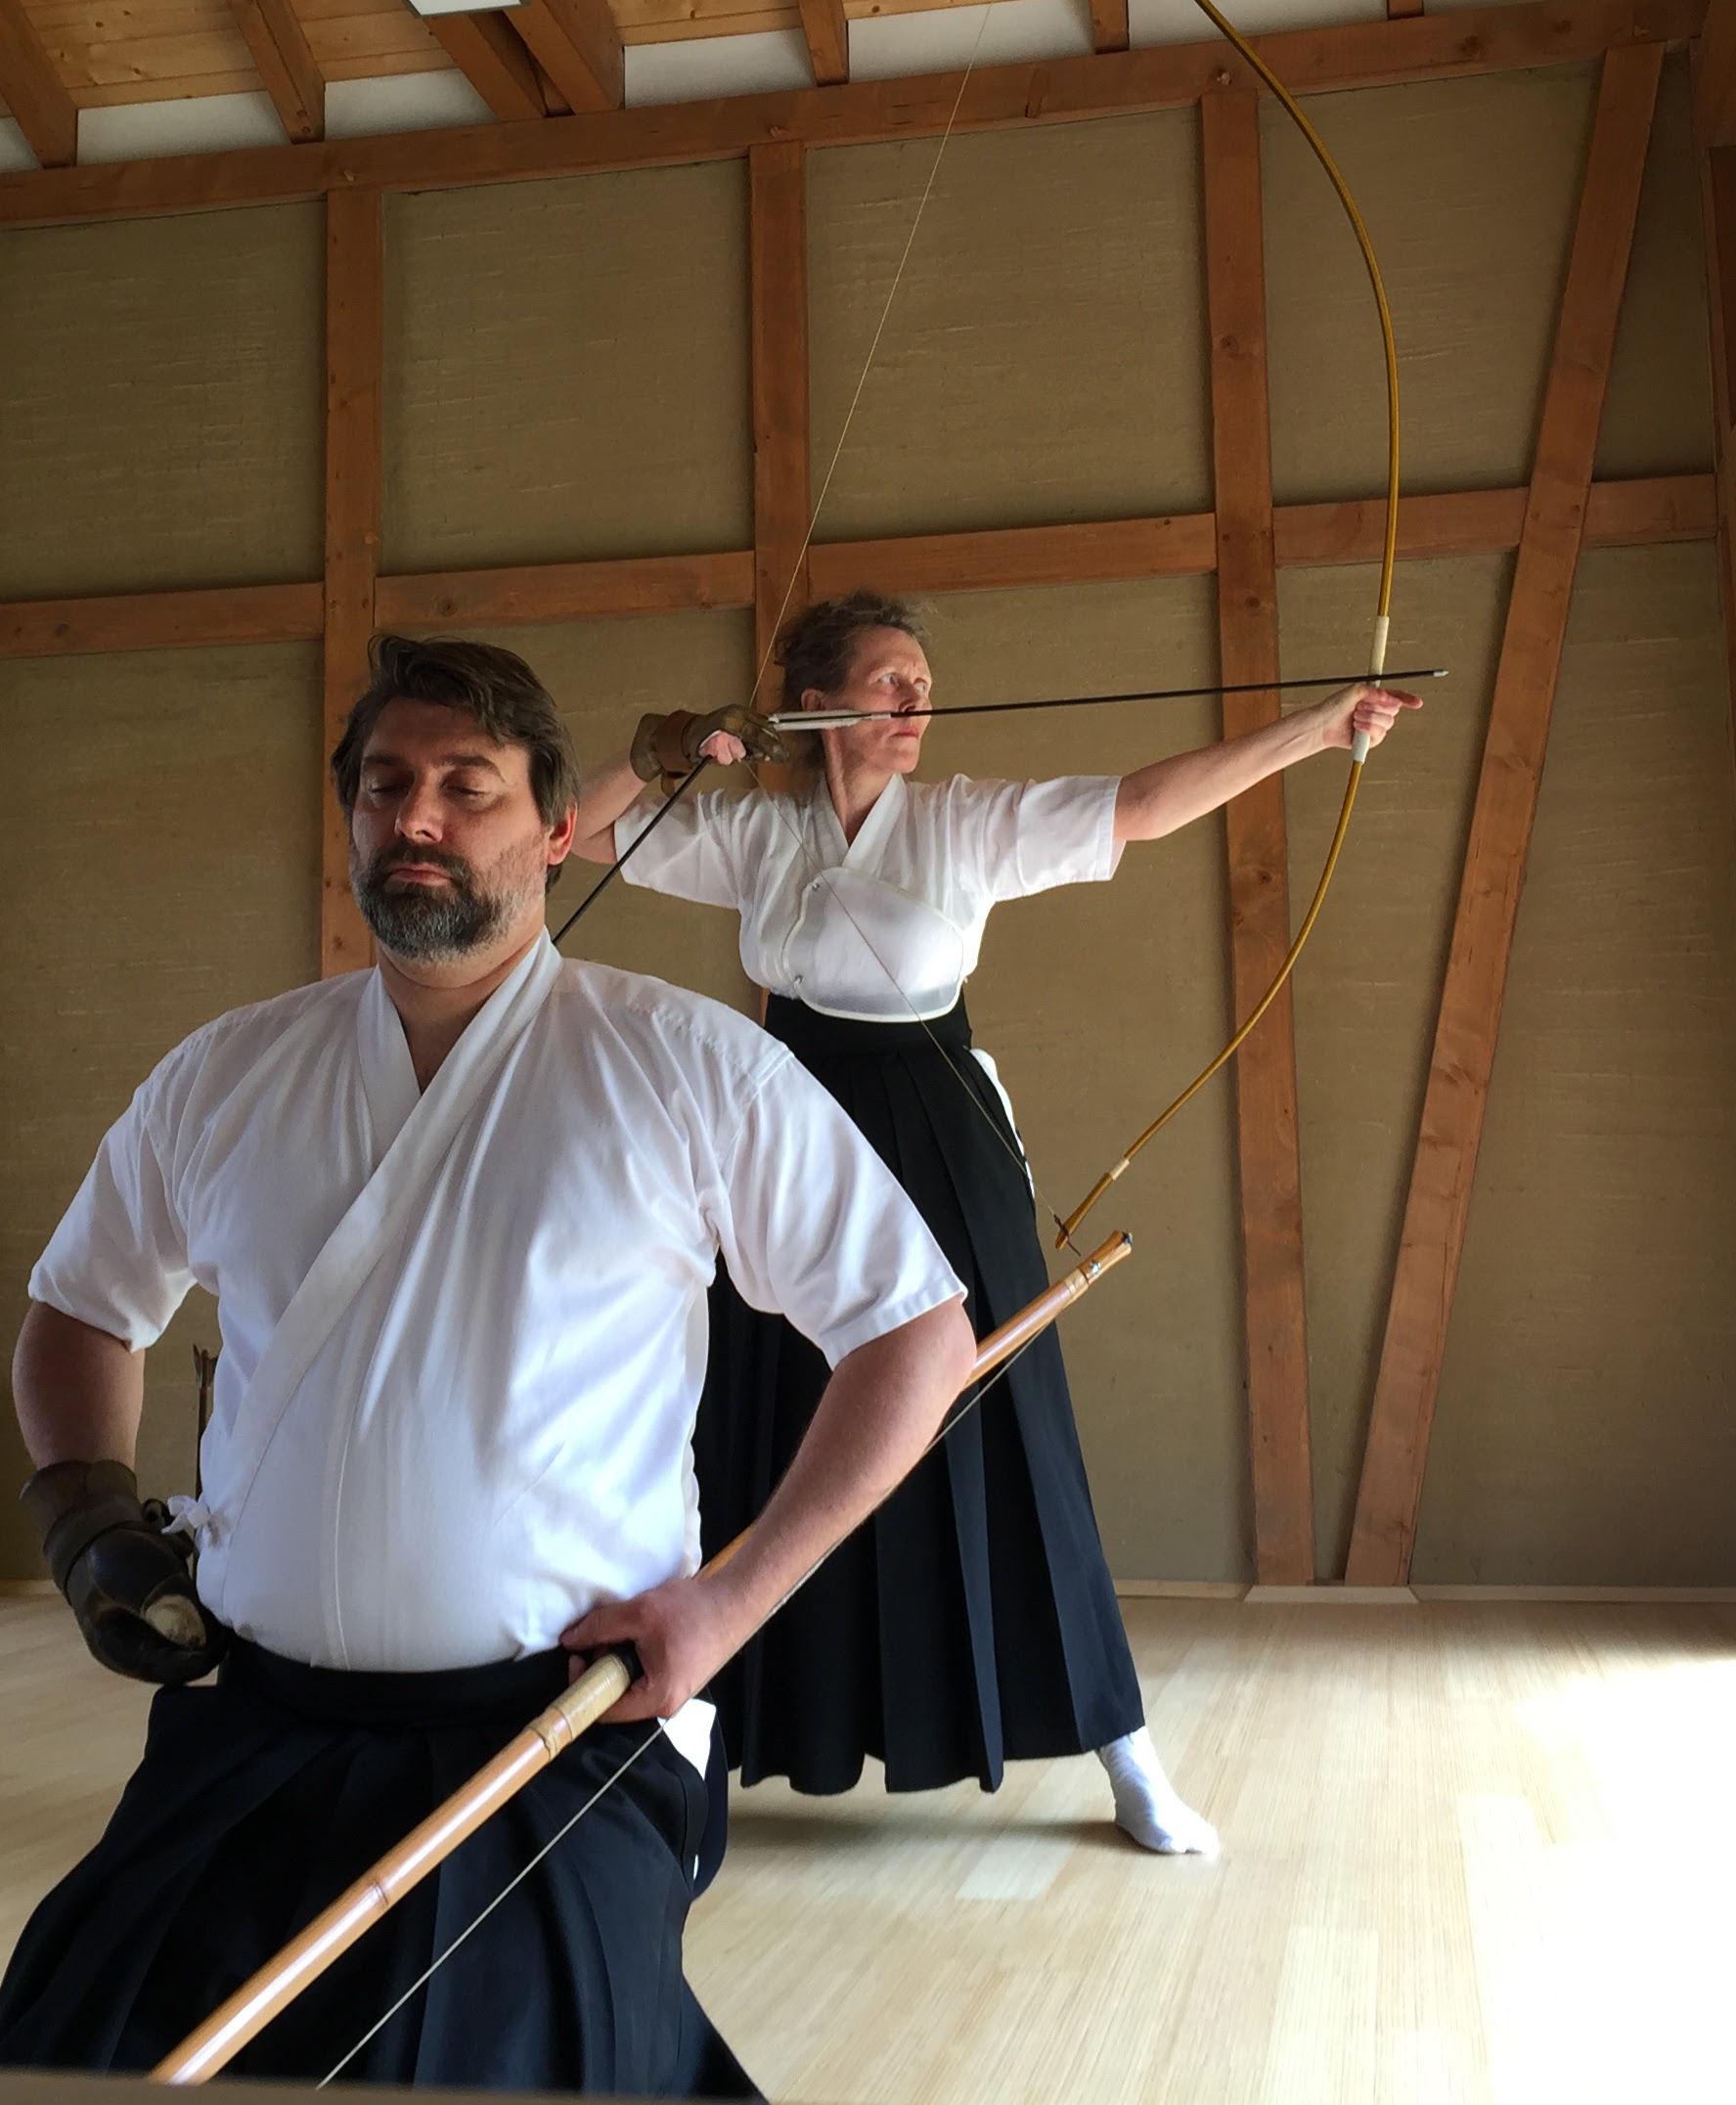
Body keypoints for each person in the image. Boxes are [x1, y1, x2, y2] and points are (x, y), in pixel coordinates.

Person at [0, 636, 976, 2096]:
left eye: (467, 786)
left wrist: (730, 1604)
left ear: (558, 830)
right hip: (252, 1722)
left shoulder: (686, 1063)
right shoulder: (228, 1072)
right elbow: (79, 1311)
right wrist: (83, 1516)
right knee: (67, 2047)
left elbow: (914, 1333)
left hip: (555, 1737)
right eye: (384, 786)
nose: (417, 817)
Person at [573, 593, 1417, 1856]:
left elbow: (1144, 803)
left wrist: (1319, 725)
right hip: (785, 1131)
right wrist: (667, 747)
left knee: (1004, 1418)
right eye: (889, 681)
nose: (918, 702)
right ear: (815, 705)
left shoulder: (965, 822)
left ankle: (1125, 1750)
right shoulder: (755, 831)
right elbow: (571, 832)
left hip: (938, 1136)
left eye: (924, 682)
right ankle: (696, 1754)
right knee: (765, 1419)